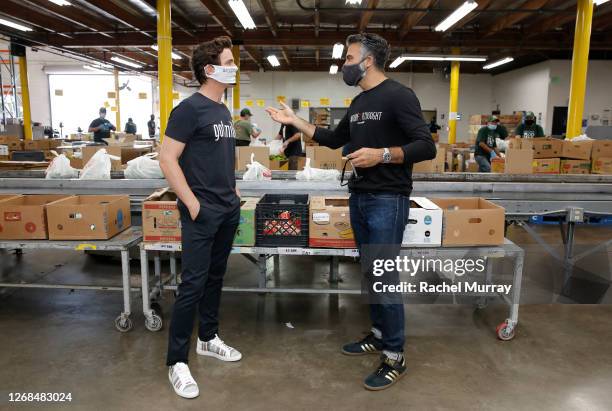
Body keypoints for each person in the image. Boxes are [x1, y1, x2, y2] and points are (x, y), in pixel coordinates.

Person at [266, 32, 435, 391]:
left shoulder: (400, 96)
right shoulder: (359, 102)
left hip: (388, 199)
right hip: (359, 196)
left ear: (368, 61)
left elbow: (425, 145)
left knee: (384, 277)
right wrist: (294, 121)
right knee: (370, 273)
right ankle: (378, 334)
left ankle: (394, 355)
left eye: (349, 57)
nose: (344, 64)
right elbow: (330, 138)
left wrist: (382, 154)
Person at [159, 36, 242, 400]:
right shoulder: (189, 109)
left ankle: (207, 339)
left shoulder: (223, 110)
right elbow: (167, 158)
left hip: (227, 209)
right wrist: (192, 204)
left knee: (215, 278)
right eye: (228, 61)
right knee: (192, 284)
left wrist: (235, 189)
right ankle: (177, 361)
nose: (234, 66)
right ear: (210, 70)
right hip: (202, 211)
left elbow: (222, 157)